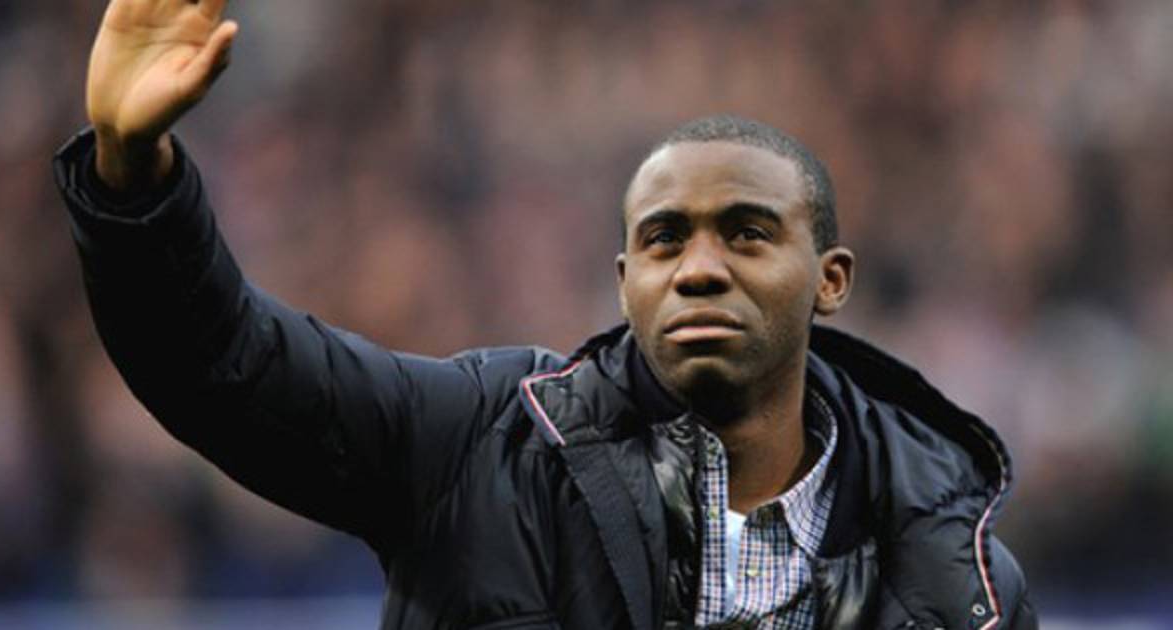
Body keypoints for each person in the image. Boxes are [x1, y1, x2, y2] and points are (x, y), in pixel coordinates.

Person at [54, 1, 1036, 628]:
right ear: (624, 279)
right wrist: (133, 178)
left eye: (745, 234)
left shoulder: (963, 584)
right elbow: (224, 369)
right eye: (665, 241)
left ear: (831, 279)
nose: (699, 270)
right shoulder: (483, 443)